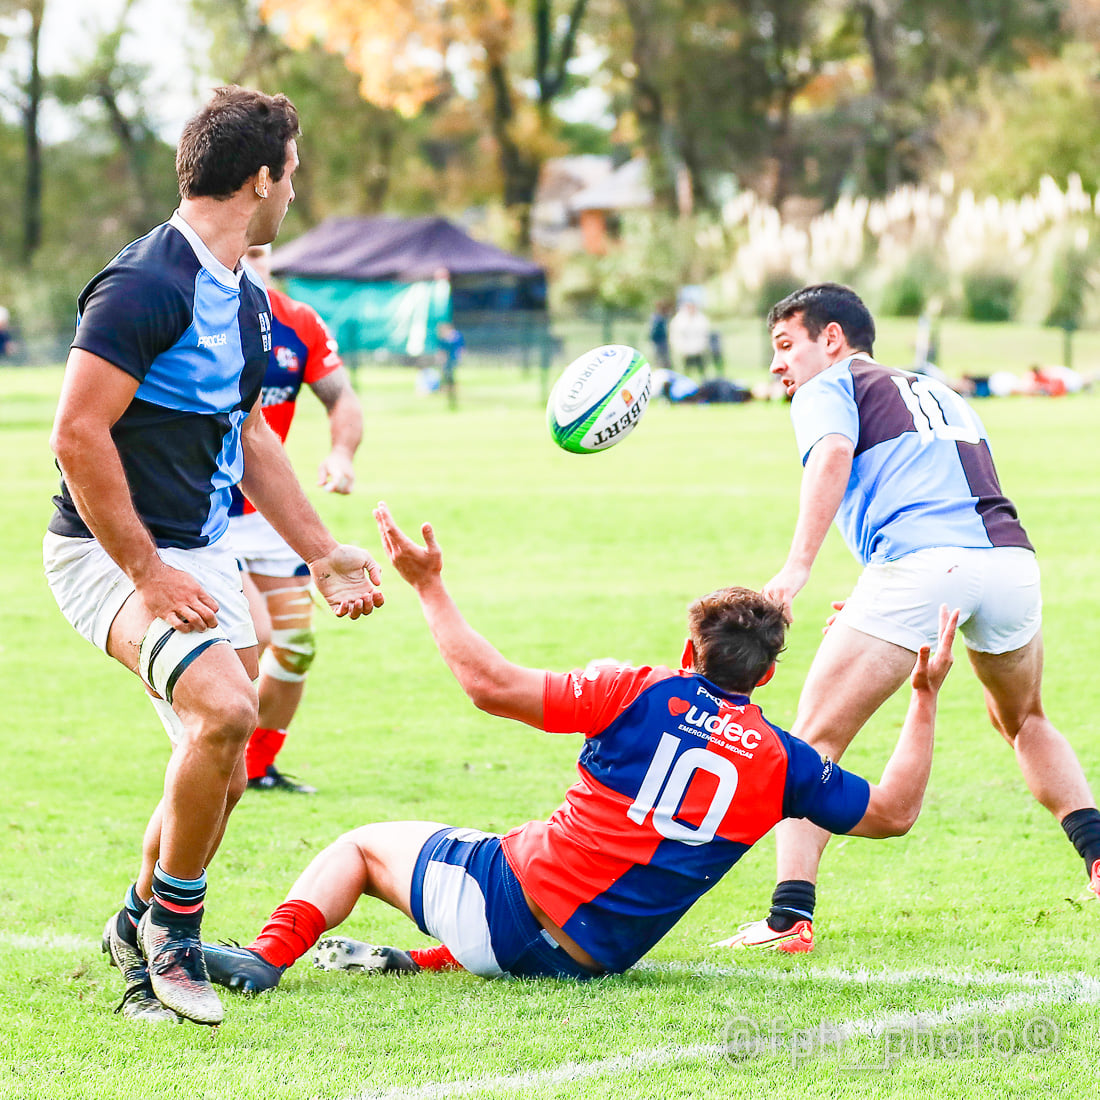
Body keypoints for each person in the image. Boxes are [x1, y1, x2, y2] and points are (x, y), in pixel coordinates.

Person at [200, 503, 959, 993]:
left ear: (688, 654)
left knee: (360, 849)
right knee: (502, 852)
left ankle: (266, 958)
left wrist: (429, 586)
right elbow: (894, 812)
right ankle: (433, 959)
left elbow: (489, 685)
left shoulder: (639, 688)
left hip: (506, 909)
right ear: (764, 676)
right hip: (592, 961)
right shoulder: (782, 758)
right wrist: (922, 698)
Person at [43, 86, 384, 1027]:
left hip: (201, 551)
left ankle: (134, 919)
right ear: (261, 177)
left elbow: (253, 441)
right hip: (105, 556)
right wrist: (150, 574)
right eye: (294, 171)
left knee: (223, 767)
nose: (296, 189)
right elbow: (77, 434)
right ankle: (169, 945)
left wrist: (320, 552)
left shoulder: (242, 299)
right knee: (228, 710)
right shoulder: (145, 282)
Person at [719, 282, 1100, 955]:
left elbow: (835, 456)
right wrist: (885, 594)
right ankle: (1098, 854)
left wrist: (799, 567)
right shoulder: (934, 389)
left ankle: (787, 918)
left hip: (923, 566)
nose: (778, 365)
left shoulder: (826, 386)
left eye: (786, 345)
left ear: (831, 340)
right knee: (1025, 719)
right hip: (1009, 564)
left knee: (811, 746)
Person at [229, 243, 364, 795]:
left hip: (270, 514)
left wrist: (342, 454)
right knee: (253, 636)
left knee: (297, 647)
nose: (253, 262)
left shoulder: (298, 322)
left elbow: (342, 399)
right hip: (206, 511)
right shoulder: (201, 314)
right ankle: (214, 752)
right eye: (245, 254)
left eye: (261, 254)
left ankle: (258, 767)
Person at [668, 299, 710, 378]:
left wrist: (702, 346)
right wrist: (680, 347)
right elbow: (676, 335)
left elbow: (704, 333)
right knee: (686, 370)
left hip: (698, 349)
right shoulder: (679, 319)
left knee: (701, 369)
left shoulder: (700, 318)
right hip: (686, 350)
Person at [435, 321, 464, 410]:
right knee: (446, 375)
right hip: (447, 361)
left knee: (450, 376)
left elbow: (460, 348)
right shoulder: (443, 339)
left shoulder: (455, 337)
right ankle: (447, 389)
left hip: (452, 360)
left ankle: (452, 390)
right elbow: (441, 351)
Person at [647, 301, 673, 372]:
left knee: (664, 358)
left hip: (662, 340)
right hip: (659, 340)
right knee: (660, 358)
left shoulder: (660, 318)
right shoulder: (658, 318)